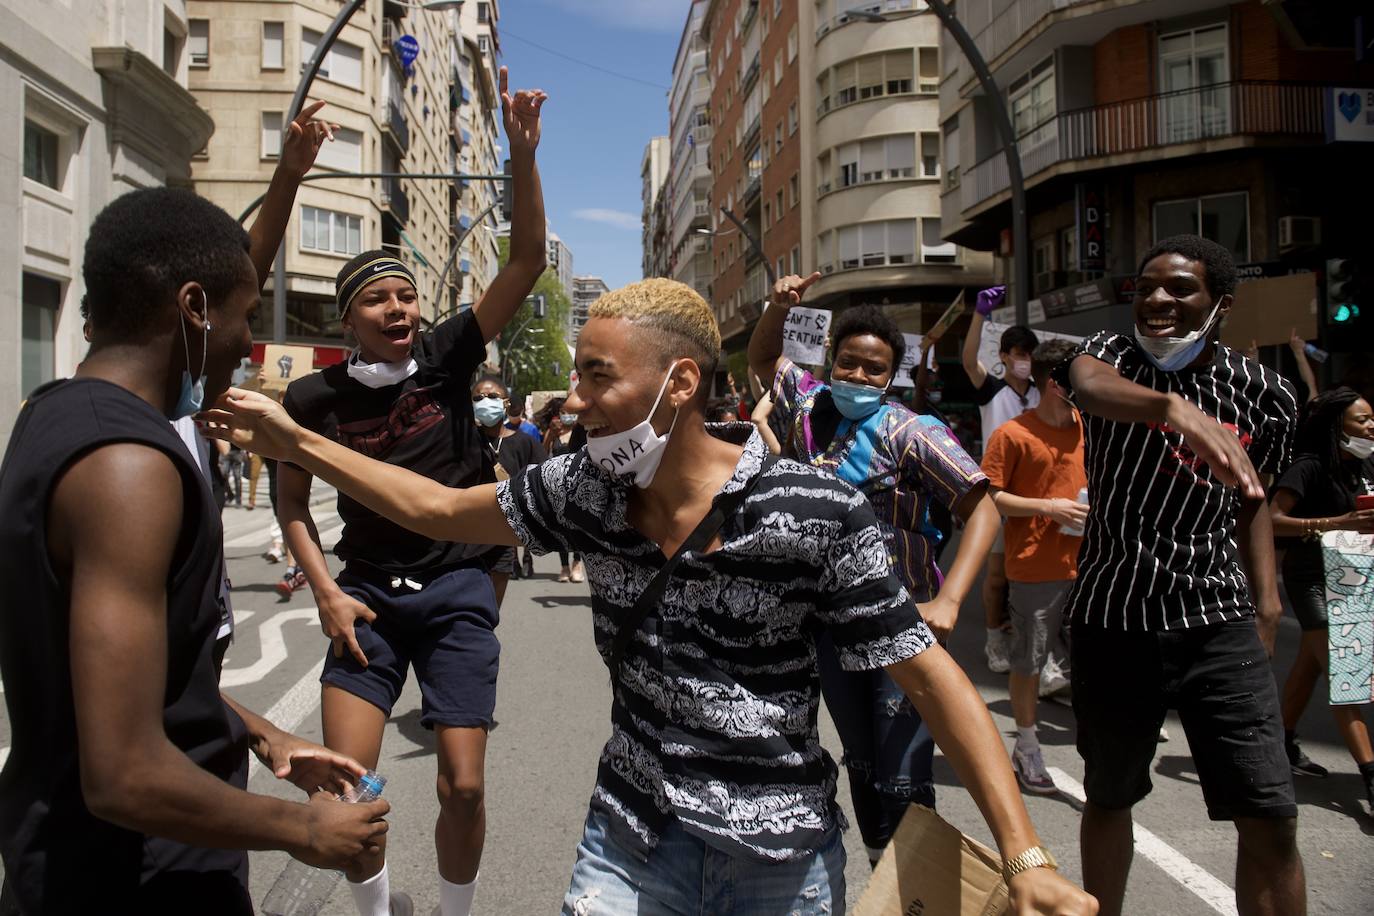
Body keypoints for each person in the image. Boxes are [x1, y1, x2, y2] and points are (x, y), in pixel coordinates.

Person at [204, 277, 1096, 916]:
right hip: (627, 841)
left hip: (780, 865)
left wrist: (1025, 855)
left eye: (597, 376)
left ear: (680, 384)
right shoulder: (579, 488)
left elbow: (932, 679)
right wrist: (297, 441)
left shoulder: (815, 509)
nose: (577, 401)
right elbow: (434, 505)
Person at [0, 175, 389, 912]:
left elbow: (115, 680)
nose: (248, 346)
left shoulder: (52, 415)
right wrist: (306, 829)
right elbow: (123, 772)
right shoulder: (130, 468)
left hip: (62, 859)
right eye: (244, 317)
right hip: (138, 877)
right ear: (192, 308)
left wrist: (258, 731)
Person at [273, 68, 546, 916]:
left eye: (405, 294)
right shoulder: (313, 401)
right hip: (365, 600)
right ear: (346, 319)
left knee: (462, 787)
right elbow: (288, 500)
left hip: (459, 589)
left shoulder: (449, 355)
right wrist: (324, 591)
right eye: (376, 300)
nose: (397, 307)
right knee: (349, 791)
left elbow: (528, 261)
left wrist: (522, 156)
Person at [1053, 234, 1304, 916]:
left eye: (1180, 288)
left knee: (1270, 813)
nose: (1158, 299)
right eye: (1148, 285)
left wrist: (1268, 601)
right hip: (1113, 618)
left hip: (1217, 623)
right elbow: (1090, 389)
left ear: (1220, 304)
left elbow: (1253, 496)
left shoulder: (1268, 394)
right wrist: (1172, 407)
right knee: (1109, 795)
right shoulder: (1107, 355)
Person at [748, 279, 1002, 864]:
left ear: (892, 377)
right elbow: (764, 356)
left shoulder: (912, 432)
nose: (860, 377)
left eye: (875, 369)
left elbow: (982, 508)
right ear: (832, 359)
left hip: (900, 626)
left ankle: (920, 892)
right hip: (831, 627)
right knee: (861, 765)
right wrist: (779, 307)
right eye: (850, 363)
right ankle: (886, 879)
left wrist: (950, 602)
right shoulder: (808, 407)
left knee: (904, 777)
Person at [980, 339, 1087, 796]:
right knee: (1029, 661)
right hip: (1035, 567)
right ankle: (1027, 746)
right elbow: (991, 495)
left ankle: (1100, 747)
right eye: (1081, 378)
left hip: (1092, 565)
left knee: (1096, 661)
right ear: (1055, 383)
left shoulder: (1092, 427)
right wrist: (1050, 507)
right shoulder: (1013, 434)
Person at [1268, 387, 1374, 807]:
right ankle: (1370, 775)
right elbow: (1273, 520)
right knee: (1344, 673)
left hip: (1353, 575)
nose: (1371, 426)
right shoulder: (1308, 466)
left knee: (1312, 664)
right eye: (1362, 420)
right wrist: (1337, 522)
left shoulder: (1365, 465)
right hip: (1312, 578)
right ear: (1337, 426)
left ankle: (1282, 743)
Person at [958, 288, 1041, 676]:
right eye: (1018, 354)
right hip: (996, 494)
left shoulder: (1045, 394)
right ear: (1004, 357)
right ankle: (994, 642)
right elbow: (968, 359)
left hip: (1038, 495)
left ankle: (1037, 647)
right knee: (996, 576)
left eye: (1029, 355)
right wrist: (979, 315)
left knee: (1035, 578)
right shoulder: (992, 389)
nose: (1024, 361)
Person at [472, 375, 546, 604]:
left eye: (492, 396)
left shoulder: (525, 442)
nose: (485, 401)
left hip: (503, 537)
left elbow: (540, 482)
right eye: (478, 397)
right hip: (465, 535)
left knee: (490, 612)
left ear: (505, 403)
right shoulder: (463, 439)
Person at [541, 399, 587, 583]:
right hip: (556, 487)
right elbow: (542, 454)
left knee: (579, 528)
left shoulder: (582, 431)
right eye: (563, 412)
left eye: (569, 411)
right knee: (559, 529)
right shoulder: (553, 433)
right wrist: (551, 435)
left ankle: (577, 563)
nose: (566, 415)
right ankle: (564, 567)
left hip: (578, 485)